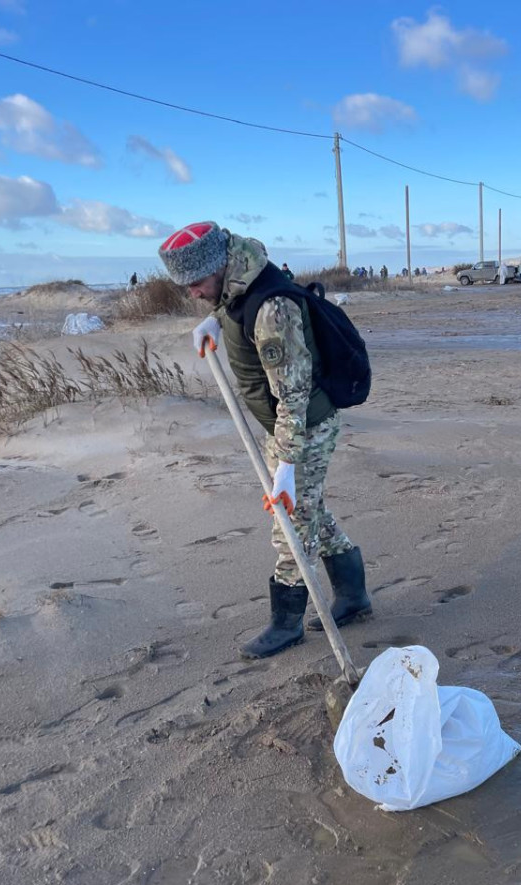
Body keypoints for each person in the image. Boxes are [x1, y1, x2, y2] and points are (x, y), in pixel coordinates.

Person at [158, 221, 373, 659]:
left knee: (291, 522)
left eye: (196, 284)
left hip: (304, 427)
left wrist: (287, 467)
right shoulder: (239, 281)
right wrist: (214, 321)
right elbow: (231, 301)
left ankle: (287, 623)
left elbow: (293, 395)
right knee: (310, 510)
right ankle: (353, 595)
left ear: (217, 267)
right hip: (288, 428)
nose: (193, 293)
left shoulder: (273, 309)